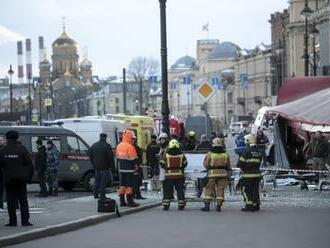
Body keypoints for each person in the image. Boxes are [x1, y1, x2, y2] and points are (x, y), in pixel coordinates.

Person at [0, 130, 34, 226]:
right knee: (23, 200)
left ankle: (12, 221)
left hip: (9, 179)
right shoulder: (22, 149)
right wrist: (29, 177)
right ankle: (25, 221)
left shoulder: (3, 150)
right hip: (21, 179)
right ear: (17, 138)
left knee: (10, 201)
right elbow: (30, 164)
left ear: (7, 138)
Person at [201, 138, 231, 212]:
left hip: (212, 174)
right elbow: (228, 165)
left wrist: (209, 168)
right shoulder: (225, 154)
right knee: (220, 189)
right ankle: (219, 206)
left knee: (209, 189)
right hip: (223, 174)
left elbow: (206, 164)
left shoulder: (210, 154)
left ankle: (207, 206)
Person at [159, 139, 188, 211]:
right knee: (180, 191)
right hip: (179, 176)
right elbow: (185, 164)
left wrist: (167, 168)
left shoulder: (166, 155)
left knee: (167, 191)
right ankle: (181, 205)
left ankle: (166, 205)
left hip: (168, 176)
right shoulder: (182, 155)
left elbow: (162, 164)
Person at [238, 133, 262, 212]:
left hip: (247, 175)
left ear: (248, 141)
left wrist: (243, 169)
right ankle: (256, 205)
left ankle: (249, 205)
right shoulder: (258, 151)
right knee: (255, 190)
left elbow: (240, 163)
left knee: (246, 190)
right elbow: (259, 162)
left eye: (246, 140)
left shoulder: (246, 151)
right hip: (257, 175)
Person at [116, 130, 139, 207]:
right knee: (129, 186)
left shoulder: (119, 145)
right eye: (133, 138)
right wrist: (136, 165)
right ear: (129, 138)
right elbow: (133, 159)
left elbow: (118, 157)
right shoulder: (130, 147)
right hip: (129, 169)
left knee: (122, 185)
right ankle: (130, 202)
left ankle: (122, 201)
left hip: (121, 168)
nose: (133, 140)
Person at [89, 133, 115, 200]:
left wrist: (93, 164)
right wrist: (112, 166)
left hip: (96, 167)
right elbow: (110, 157)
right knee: (103, 181)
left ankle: (95, 194)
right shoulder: (107, 146)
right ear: (105, 138)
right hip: (105, 166)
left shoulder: (94, 145)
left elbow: (90, 155)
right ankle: (102, 195)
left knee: (97, 180)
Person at [132, 136, 146, 200]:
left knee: (135, 182)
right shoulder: (135, 148)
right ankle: (136, 194)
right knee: (136, 182)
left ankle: (135, 194)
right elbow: (138, 157)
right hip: (136, 166)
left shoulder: (133, 147)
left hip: (133, 166)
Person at [0, 136, 5, 209]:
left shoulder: (5, 149)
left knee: (2, 189)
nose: (1, 141)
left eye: (1, 140)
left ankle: (1, 203)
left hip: (3, 172)